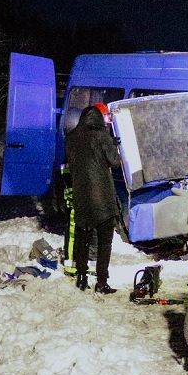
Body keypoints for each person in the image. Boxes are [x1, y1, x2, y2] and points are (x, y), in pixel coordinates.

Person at [64, 103, 120, 294]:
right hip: (103, 201)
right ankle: (102, 282)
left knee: (82, 241)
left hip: (82, 200)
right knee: (105, 243)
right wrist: (114, 145)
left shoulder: (71, 139)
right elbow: (115, 162)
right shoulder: (102, 137)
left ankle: (81, 278)